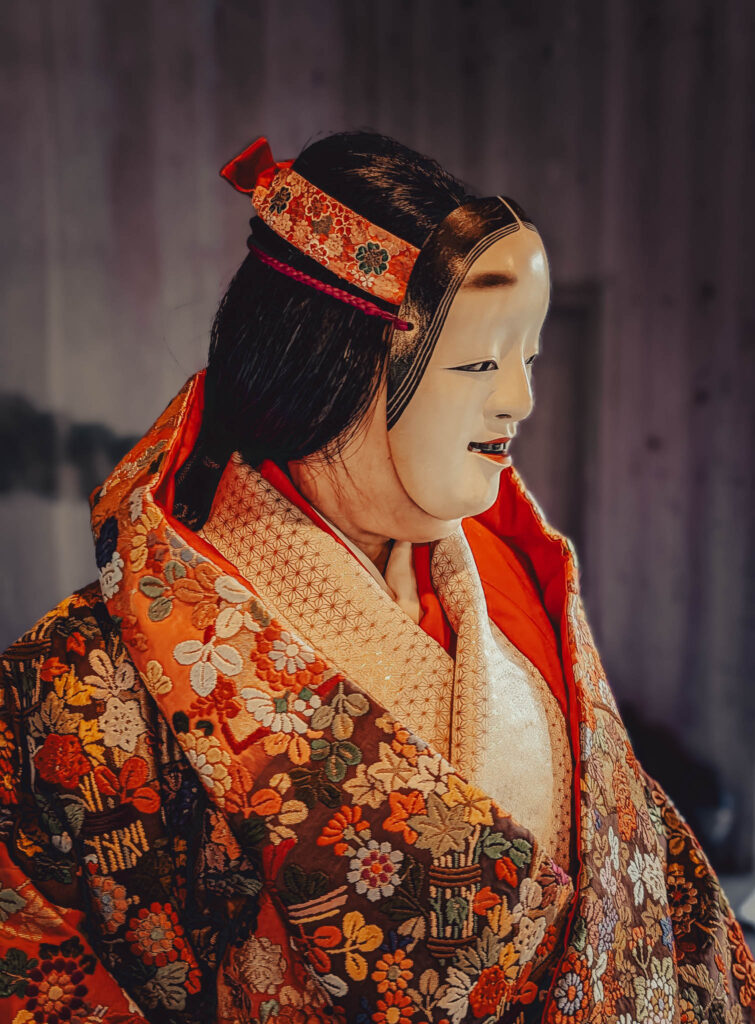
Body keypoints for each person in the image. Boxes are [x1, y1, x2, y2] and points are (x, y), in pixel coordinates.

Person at [0, 131, 752, 1024]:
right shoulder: (77, 684)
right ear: (335, 362)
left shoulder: (521, 595)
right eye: (477, 362)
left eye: (528, 357)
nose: (519, 399)